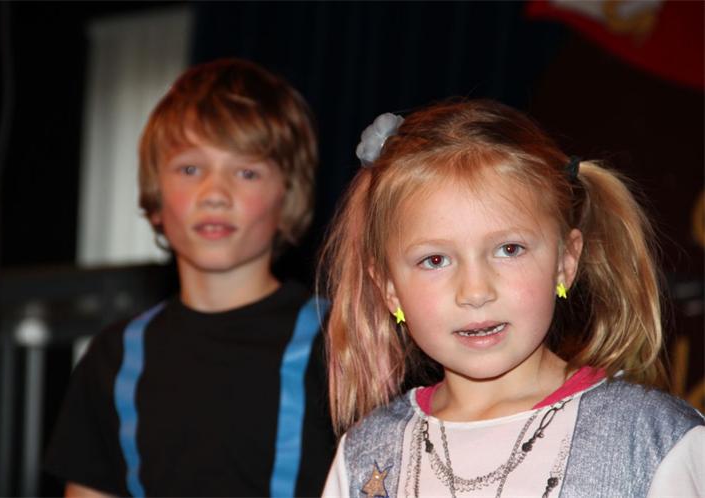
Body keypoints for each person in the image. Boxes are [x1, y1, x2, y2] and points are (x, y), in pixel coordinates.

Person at [319, 100, 704, 497]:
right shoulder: (366, 456)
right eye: (435, 260)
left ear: (565, 262)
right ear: (389, 289)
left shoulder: (652, 443)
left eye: (509, 250)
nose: (475, 292)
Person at [45, 59, 335, 497]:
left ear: (287, 197)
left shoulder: (341, 344)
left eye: (247, 172)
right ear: (156, 197)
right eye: (190, 170)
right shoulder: (113, 359)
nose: (215, 194)